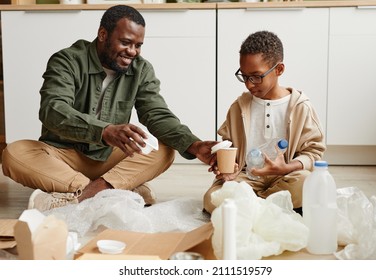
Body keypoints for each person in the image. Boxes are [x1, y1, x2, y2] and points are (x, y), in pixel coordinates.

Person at [2, 5, 217, 212]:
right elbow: (53, 110)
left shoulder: (141, 69)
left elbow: (156, 114)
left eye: (138, 45)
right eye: (125, 42)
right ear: (103, 34)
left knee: (165, 149)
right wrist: (104, 131)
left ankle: (83, 196)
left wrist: (194, 145)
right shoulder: (67, 60)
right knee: (14, 154)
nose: (132, 51)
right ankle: (118, 189)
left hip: (108, 158)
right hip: (62, 157)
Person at [203, 31, 326, 214]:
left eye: (256, 76)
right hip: (246, 178)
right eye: (244, 76)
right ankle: (271, 205)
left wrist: (286, 167)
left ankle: (251, 206)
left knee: (307, 182)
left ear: (279, 69)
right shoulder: (238, 107)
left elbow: (314, 152)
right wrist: (228, 168)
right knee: (211, 199)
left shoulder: (300, 106)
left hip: (284, 177)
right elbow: (228, 147)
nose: (249, 84)